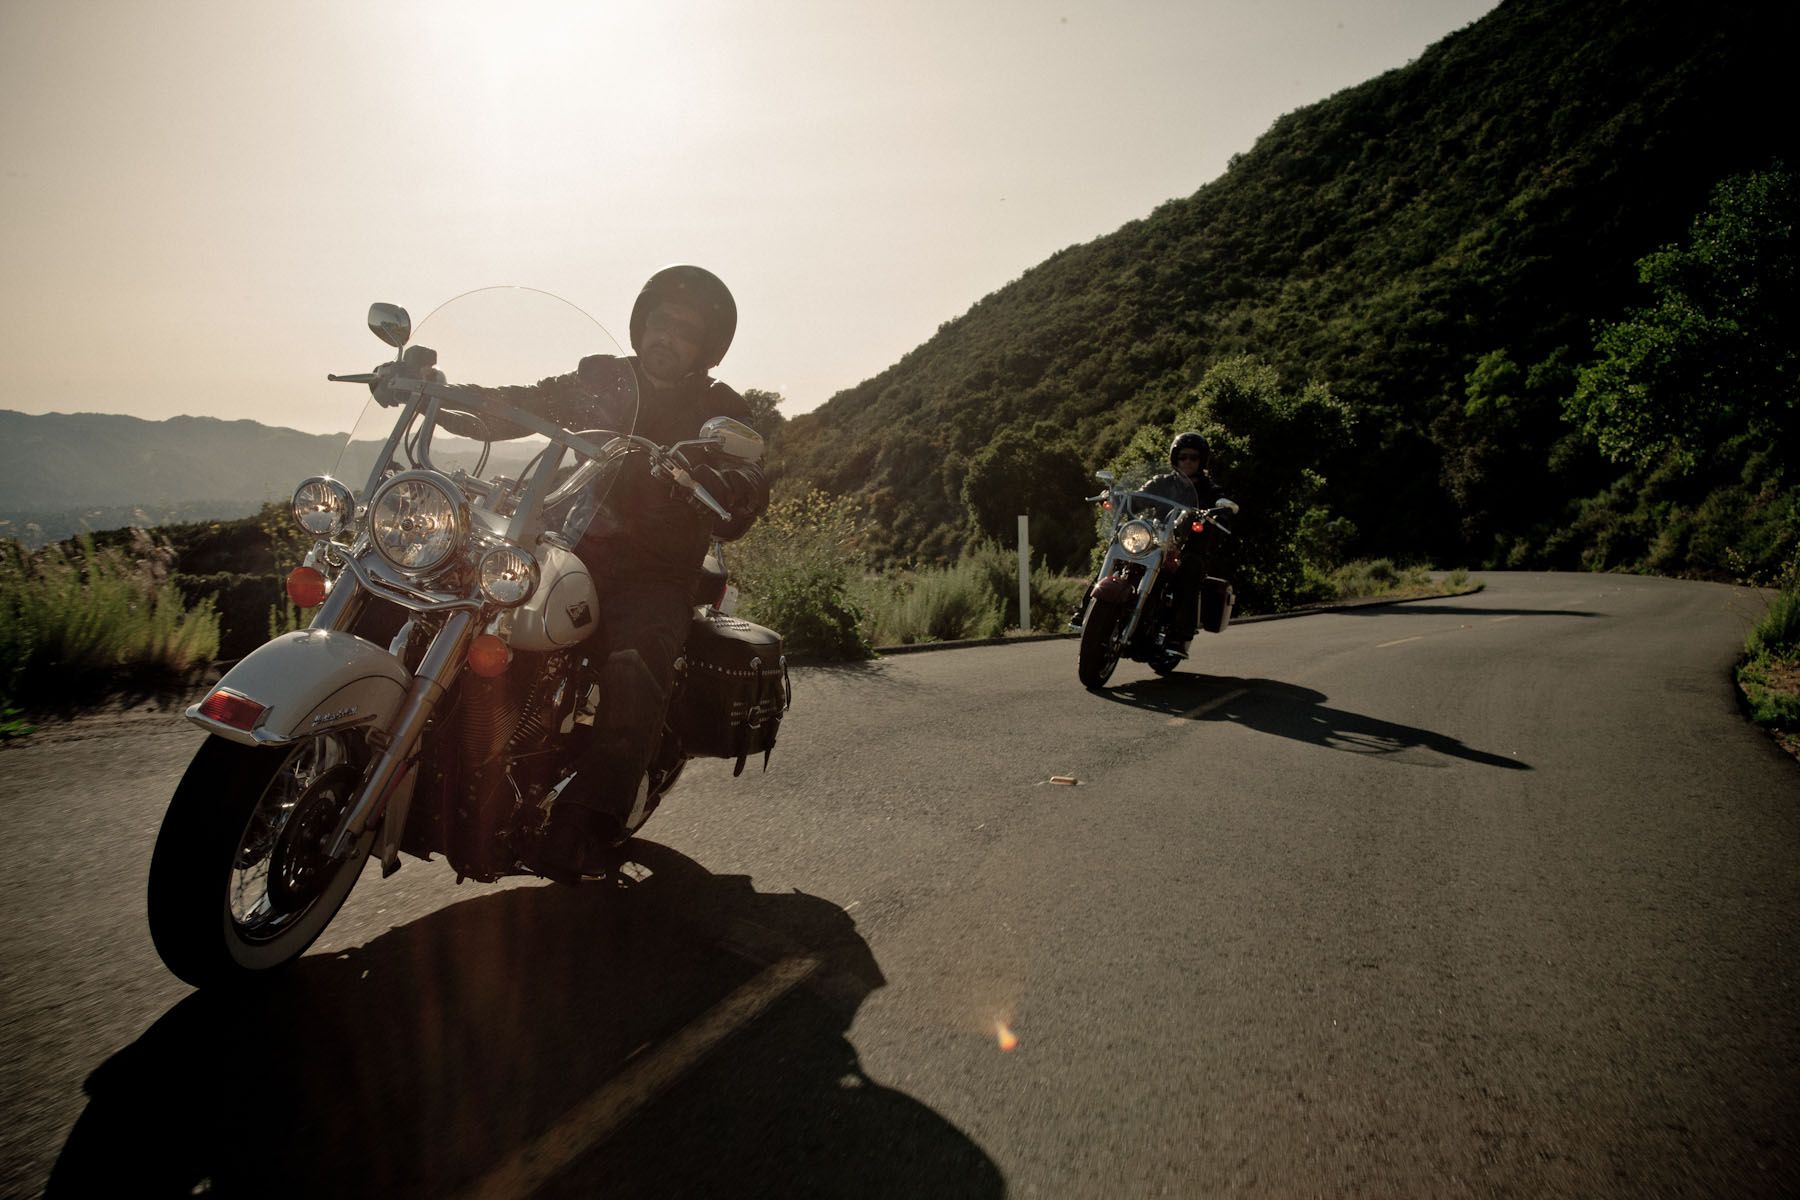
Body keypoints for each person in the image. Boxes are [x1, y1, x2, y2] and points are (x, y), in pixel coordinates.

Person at [521, 265, 769, 879]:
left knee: (636, 660)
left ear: (706, 348)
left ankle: (593, 818)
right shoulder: (600, 378)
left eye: (685, 330)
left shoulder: (720, 409)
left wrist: (724, 483)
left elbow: (750, 479)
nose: (668, 336)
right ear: (641, 323)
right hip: (562, 541)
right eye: (661, 321)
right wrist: (444, 393)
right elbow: (520, 403)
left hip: (652, 571)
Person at [1144, 431, 1224, 655]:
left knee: (1191, 566)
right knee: (1120, 544)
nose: (1188, 461)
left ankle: (1180, 636)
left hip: (1189, 545)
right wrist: (1119, 497)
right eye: (1183, 457)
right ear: (1175, 458)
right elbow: (1141, 495)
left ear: (1202, 461)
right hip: (1158, 541)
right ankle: (1085, 610)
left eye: (1194, 458)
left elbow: (1220, 504)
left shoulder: (1209, 489)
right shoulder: (1161, 482)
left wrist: (1220, 511)